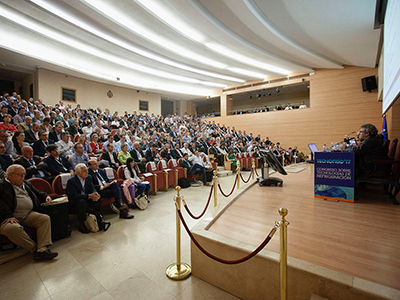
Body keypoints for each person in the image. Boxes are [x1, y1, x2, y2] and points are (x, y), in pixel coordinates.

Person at [0, 165, 58, 260]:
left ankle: (42, 248)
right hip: (6, 218)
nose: (23, 177)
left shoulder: (25, 184)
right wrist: (8, 215)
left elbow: (37, 192)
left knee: (44, 218)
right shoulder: (2, 185)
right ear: (10, 175)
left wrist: (46, 196)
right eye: (20, 175)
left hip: (26, 214)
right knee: (13, 229)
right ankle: (34, 248)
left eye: (24, 174)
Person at [66, 163, 102, 234]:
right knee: (81, 202)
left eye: (87, 170)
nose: (87, 172)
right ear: (78, 173)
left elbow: (92, 188)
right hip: (76, 200)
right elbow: (74, 196)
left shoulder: (89, 177)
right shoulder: (71, 181)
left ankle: (98, 219)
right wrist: (88, 196)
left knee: (97, 198)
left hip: (86, 197)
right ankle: (81, 224)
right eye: (84, 171)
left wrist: (95, 193)